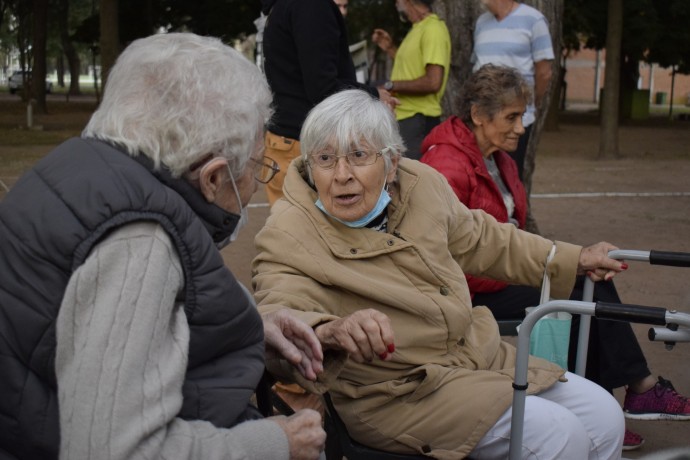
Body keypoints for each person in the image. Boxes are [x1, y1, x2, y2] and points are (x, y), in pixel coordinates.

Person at [0, 33, 327, 460]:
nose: (254, 184)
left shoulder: (77, 167)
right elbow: (112, 450)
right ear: (212, 178)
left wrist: (248, 326)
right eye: (255, 167)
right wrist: (276, 443)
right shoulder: (140, 242)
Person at [252, 88, 626, 458]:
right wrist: (330, 331)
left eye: (359, 155)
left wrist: (571, 258)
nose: (342, 175)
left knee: (605, 416)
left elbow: (482, 238)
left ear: (392, 162)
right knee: (558, 435)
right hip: (397, 394)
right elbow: (278, 308)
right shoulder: (289, 229)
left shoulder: (421, 184)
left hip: (476, 355)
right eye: (325, 158)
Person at [420, 63, 690, 452]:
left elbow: (514, 234)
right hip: (467, 288)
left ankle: (605, 406)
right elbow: (446, 256)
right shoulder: (445, 164)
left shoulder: (500, 159)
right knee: (578, 285)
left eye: (522, 116)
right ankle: (634, 390)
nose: (521, 127)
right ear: (478, 115)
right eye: (511, 117)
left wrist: (552, 262)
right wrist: (546, 267)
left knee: (587, 282)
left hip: (499, 271)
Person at [261, 0, 397, 206]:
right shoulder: (311, 6)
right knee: (309, 234)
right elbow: (323, 88)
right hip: (304, 145)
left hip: (291, 141)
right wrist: (373, 95)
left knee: (294, 232)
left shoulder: (291, 6)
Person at [472, 0, 554, 181]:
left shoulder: (534, 20)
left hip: (514, 118)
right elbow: (477, 66)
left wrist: (531, 104)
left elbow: (544, 73)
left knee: (508, 178)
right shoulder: (482, 22)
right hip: (484, 118)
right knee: (481, 175)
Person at [371, 0, 451, 160]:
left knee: (411, 181)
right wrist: (390, 48)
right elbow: (411, 70)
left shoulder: (433, 29)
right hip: (406, 119)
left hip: (418, 120)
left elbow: (433, 81)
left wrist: (390, 85)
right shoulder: (417, 28)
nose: (395, 3)